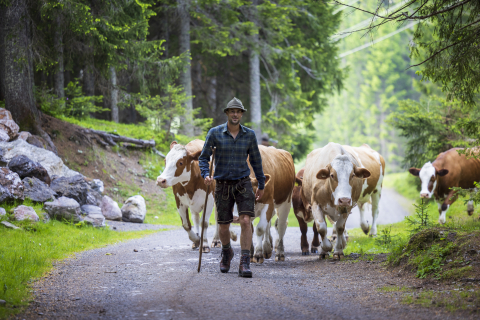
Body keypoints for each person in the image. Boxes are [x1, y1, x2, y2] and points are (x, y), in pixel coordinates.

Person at [199, 97, 265, 278]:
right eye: (232, 111)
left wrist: (261, 183)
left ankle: (244, 261)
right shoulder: (214, 133)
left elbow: (256, 161)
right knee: (223, 226)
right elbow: (203, 157)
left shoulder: (249, 135)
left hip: (243, 182)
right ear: (227, 113)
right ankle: (227, 252)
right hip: (222, 183)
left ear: (242, 114)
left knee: (245, 220)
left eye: (238, 111)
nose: (235, 114)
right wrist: (205, 173)